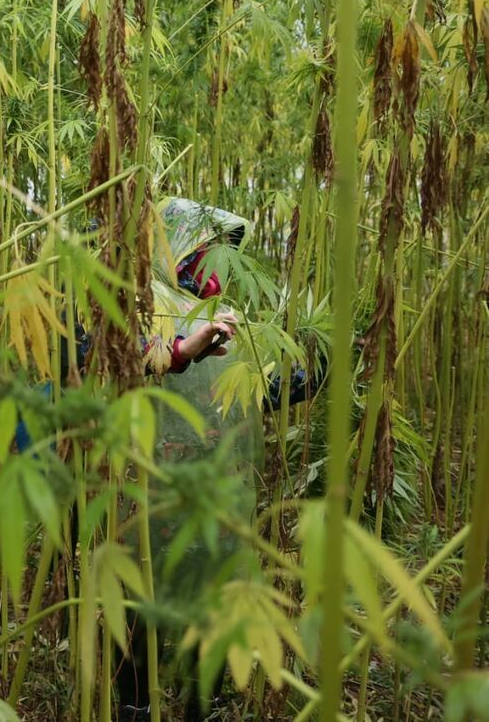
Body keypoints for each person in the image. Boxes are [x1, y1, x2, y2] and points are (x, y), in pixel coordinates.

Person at [112, 197, 322, 722]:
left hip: (218, 501)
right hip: (151, 496)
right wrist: (186, 348)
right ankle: (133, 708)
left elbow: (267, 390)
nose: (216, 267)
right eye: (209, 251)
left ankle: (200, 708)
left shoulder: (233, 320)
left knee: (208, 611)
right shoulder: (141, 300)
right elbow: (124, 360)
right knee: (142, 607)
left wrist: (322, 361)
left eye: (225, 253)